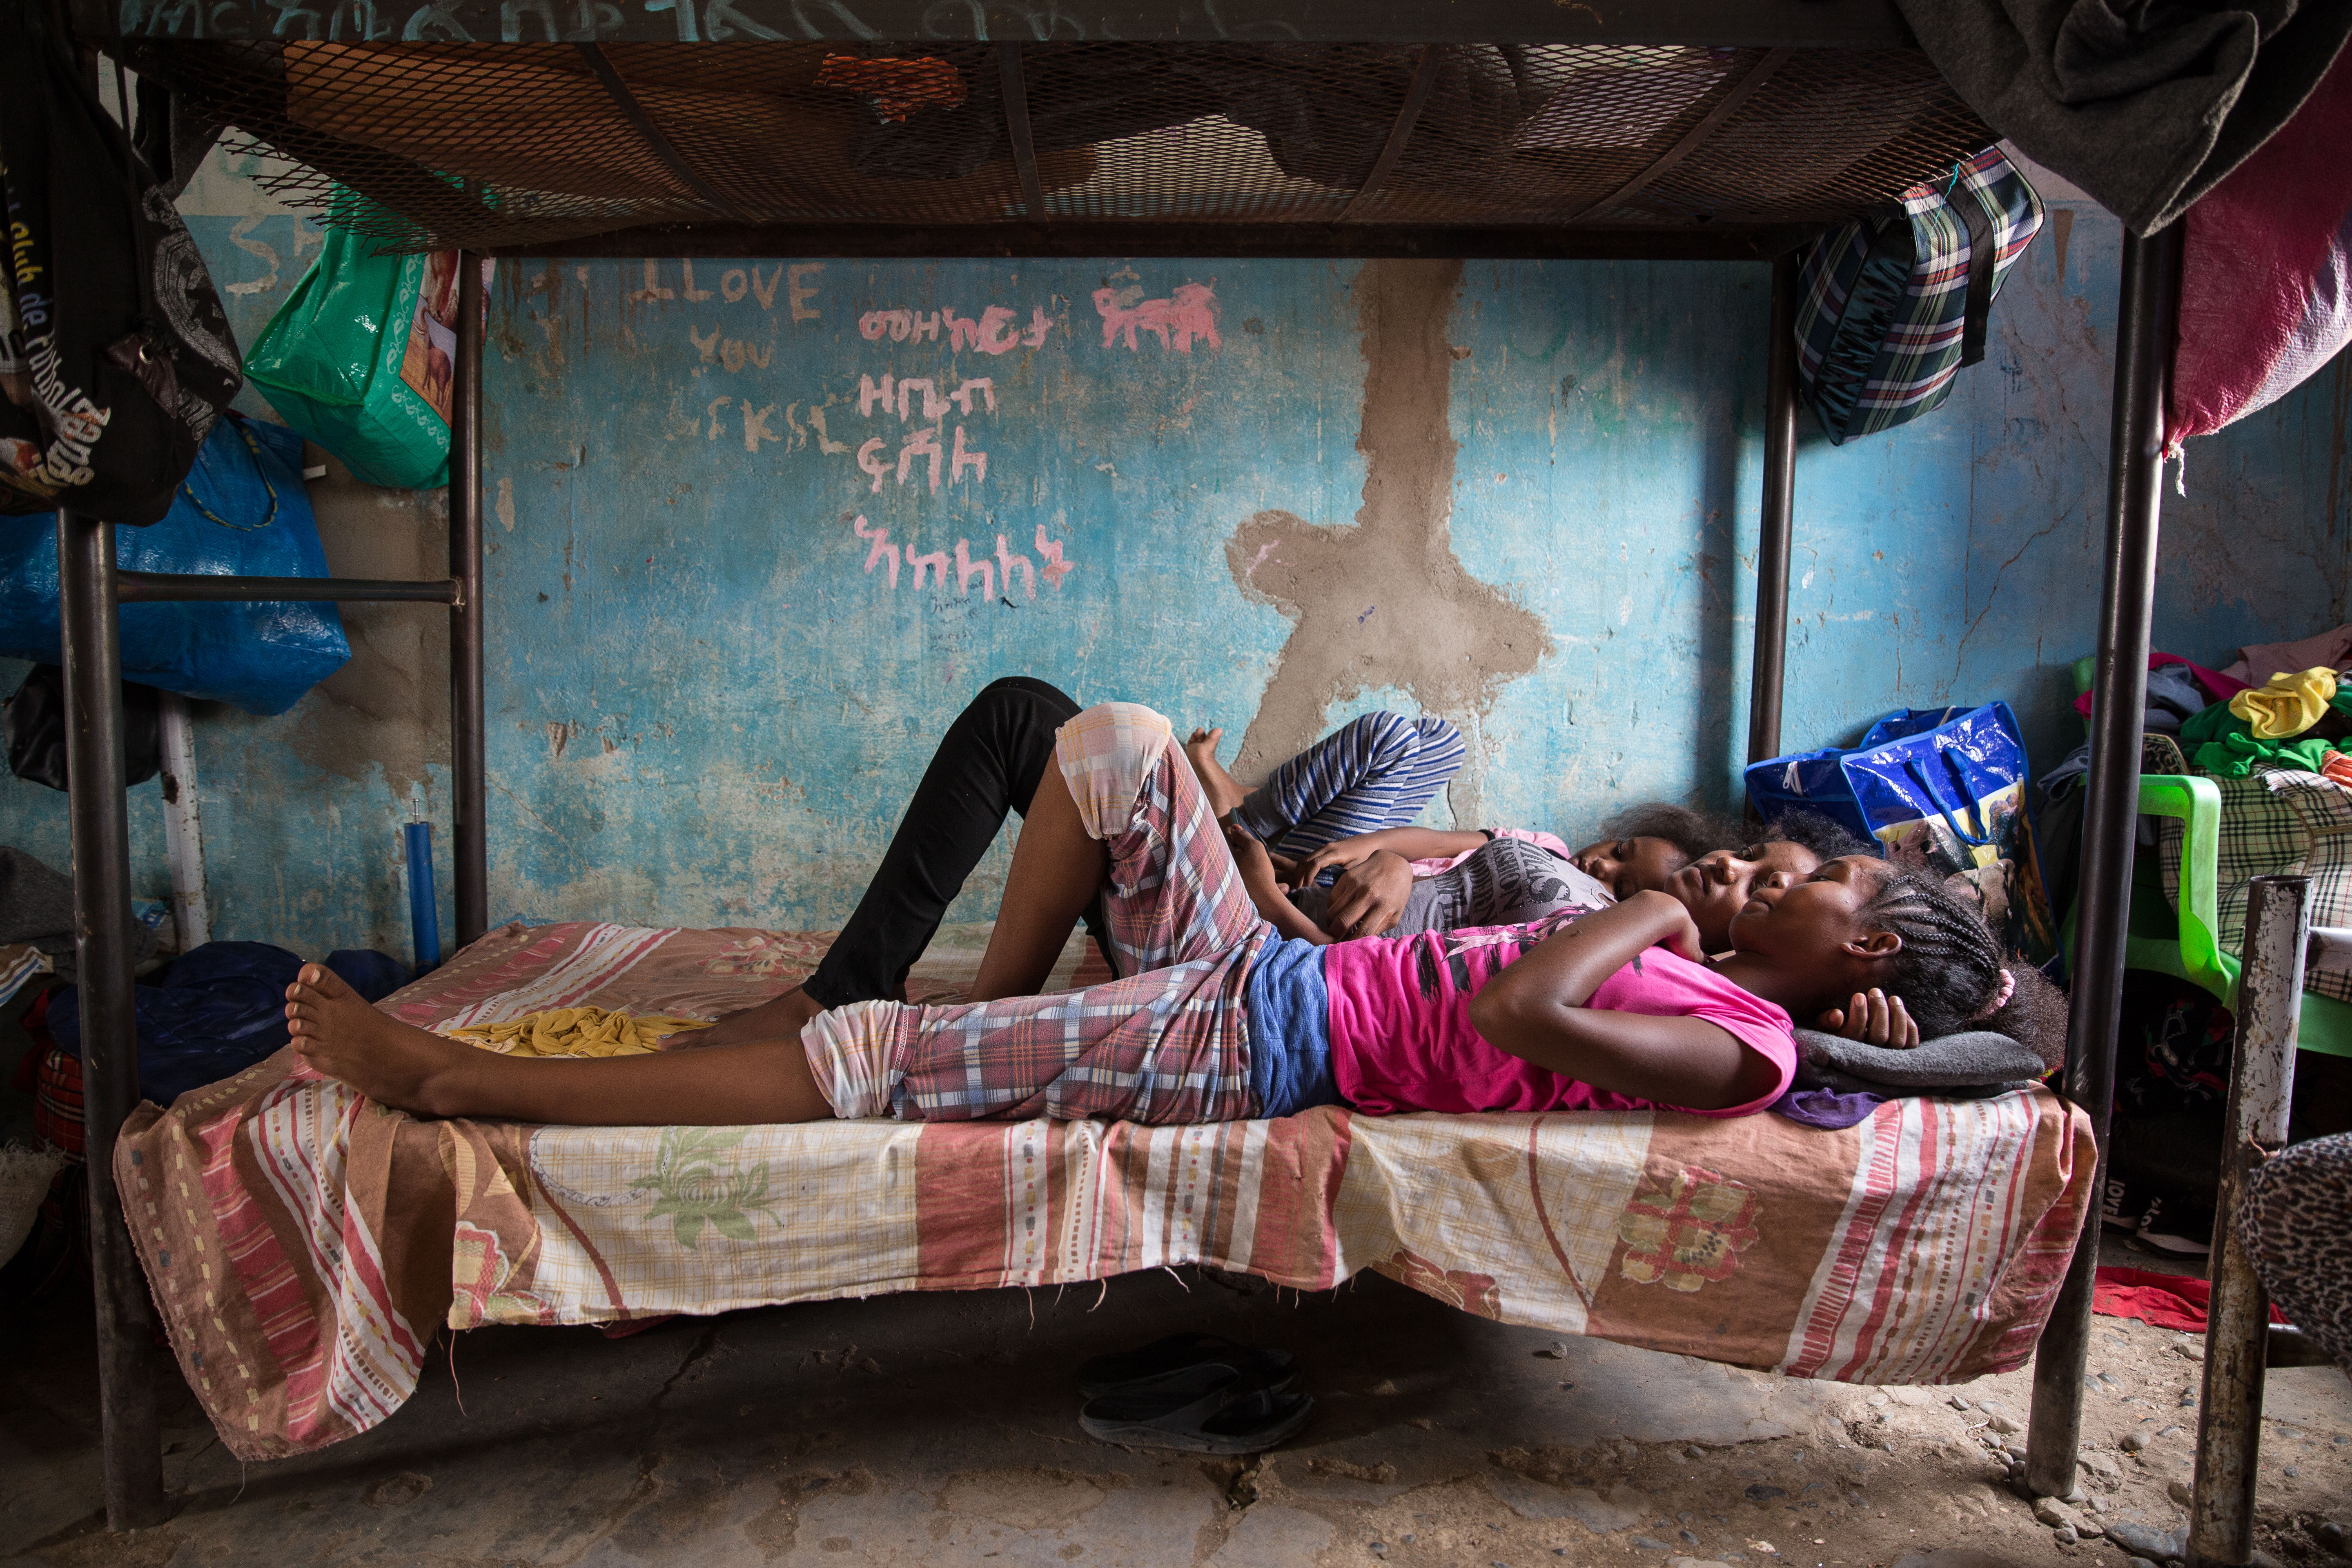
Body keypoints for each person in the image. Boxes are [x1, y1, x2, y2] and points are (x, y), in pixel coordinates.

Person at [285, 703, 2062, 1129]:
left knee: (877, 1054)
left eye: (1832, 883)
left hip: (1267, 1040)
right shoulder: (1734, 988)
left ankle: (463, 1082)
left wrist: (1652, 926)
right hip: (1276, 976)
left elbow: (1518, 1016)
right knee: (1116, 742)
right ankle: (990, 1006)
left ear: (1868, 951)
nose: (1792, 868)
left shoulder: (1750, 1048)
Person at [682, 678, 1840, 1051]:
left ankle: (979, 1023)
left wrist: (1274, 893)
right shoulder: (1538, 852)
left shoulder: (1652, 972)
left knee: (1107, 741)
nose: (1729, 874)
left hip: (1262, 953)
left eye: (1760, 884)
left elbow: (1404, 994)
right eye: (1743, 858)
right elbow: (1434, 841)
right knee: (1022, 715)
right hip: (1272, 893)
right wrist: (1394, 855)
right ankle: (846, 988)